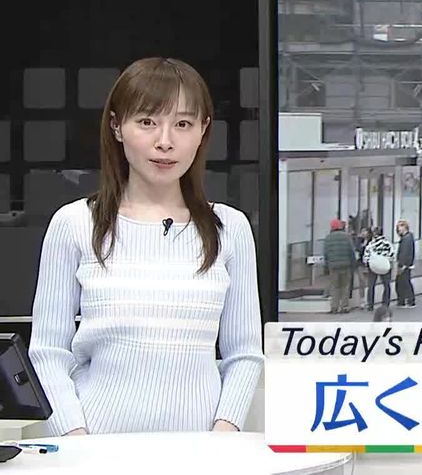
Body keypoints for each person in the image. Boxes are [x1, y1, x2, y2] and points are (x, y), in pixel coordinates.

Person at [28, 57, 263, 436]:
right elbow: (47, 352)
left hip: (201, 454)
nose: (165, 141)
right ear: (117, 126)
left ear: (203, 130)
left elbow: (245, 354)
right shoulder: (74, 224)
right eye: (147, 122)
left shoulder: (229, 228)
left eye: (183, 124)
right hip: (95, 449)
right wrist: (75, 437)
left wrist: (224, 434)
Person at [323, 219, 356, 314]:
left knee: (335, 287)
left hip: (333, 266)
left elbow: (326, 253)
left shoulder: (328, 238)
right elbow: (351, 251)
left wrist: (327, 266)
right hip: (346, 265)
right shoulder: (347, 237)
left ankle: (334, 307)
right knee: (345, 286)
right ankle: (344, 307)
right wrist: (353, 264)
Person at [363, 228, 394, 309]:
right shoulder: (387, 243)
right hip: (385, 266)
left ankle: (370, 304)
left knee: (371, 285)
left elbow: (366, 256)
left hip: (373, 266)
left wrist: (367, 265)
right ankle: (385, 303)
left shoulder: (371, 244)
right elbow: (392, 255)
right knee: (386, 285)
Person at [393, 220, 416, 308]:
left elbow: (405, 253)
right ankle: (405, 300)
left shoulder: (406, 239)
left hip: (404, 265)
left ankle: (407, 300)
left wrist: (402, 265)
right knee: (403, 282)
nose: (398, 229)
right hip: (405, 264)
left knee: (403, 282)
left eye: (400, 227)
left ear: (404, 227)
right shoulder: (407, 238)